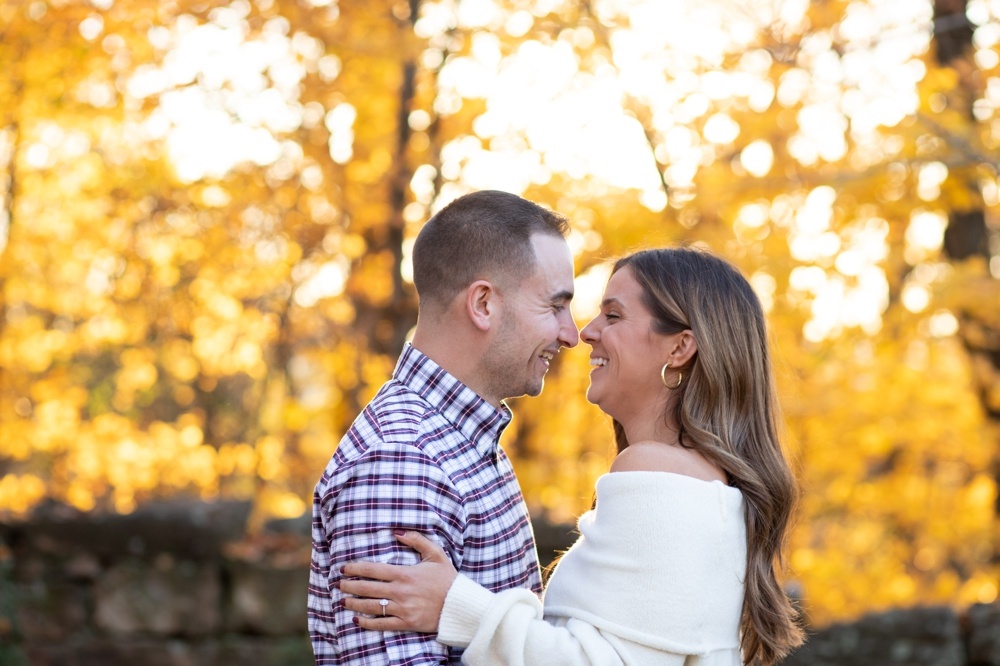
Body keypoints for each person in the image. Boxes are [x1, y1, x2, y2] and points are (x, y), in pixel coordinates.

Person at [338, 247, 805, 665]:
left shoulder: (661, 474)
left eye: (614, 316)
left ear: (680, 347)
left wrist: (458, 606)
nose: (585, 332)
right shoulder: (695, 479)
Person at [307, 189, 580, 664]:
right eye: (554, 306)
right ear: (483, 305)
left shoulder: (463, 440)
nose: (571, 333)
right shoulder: (401, 462)